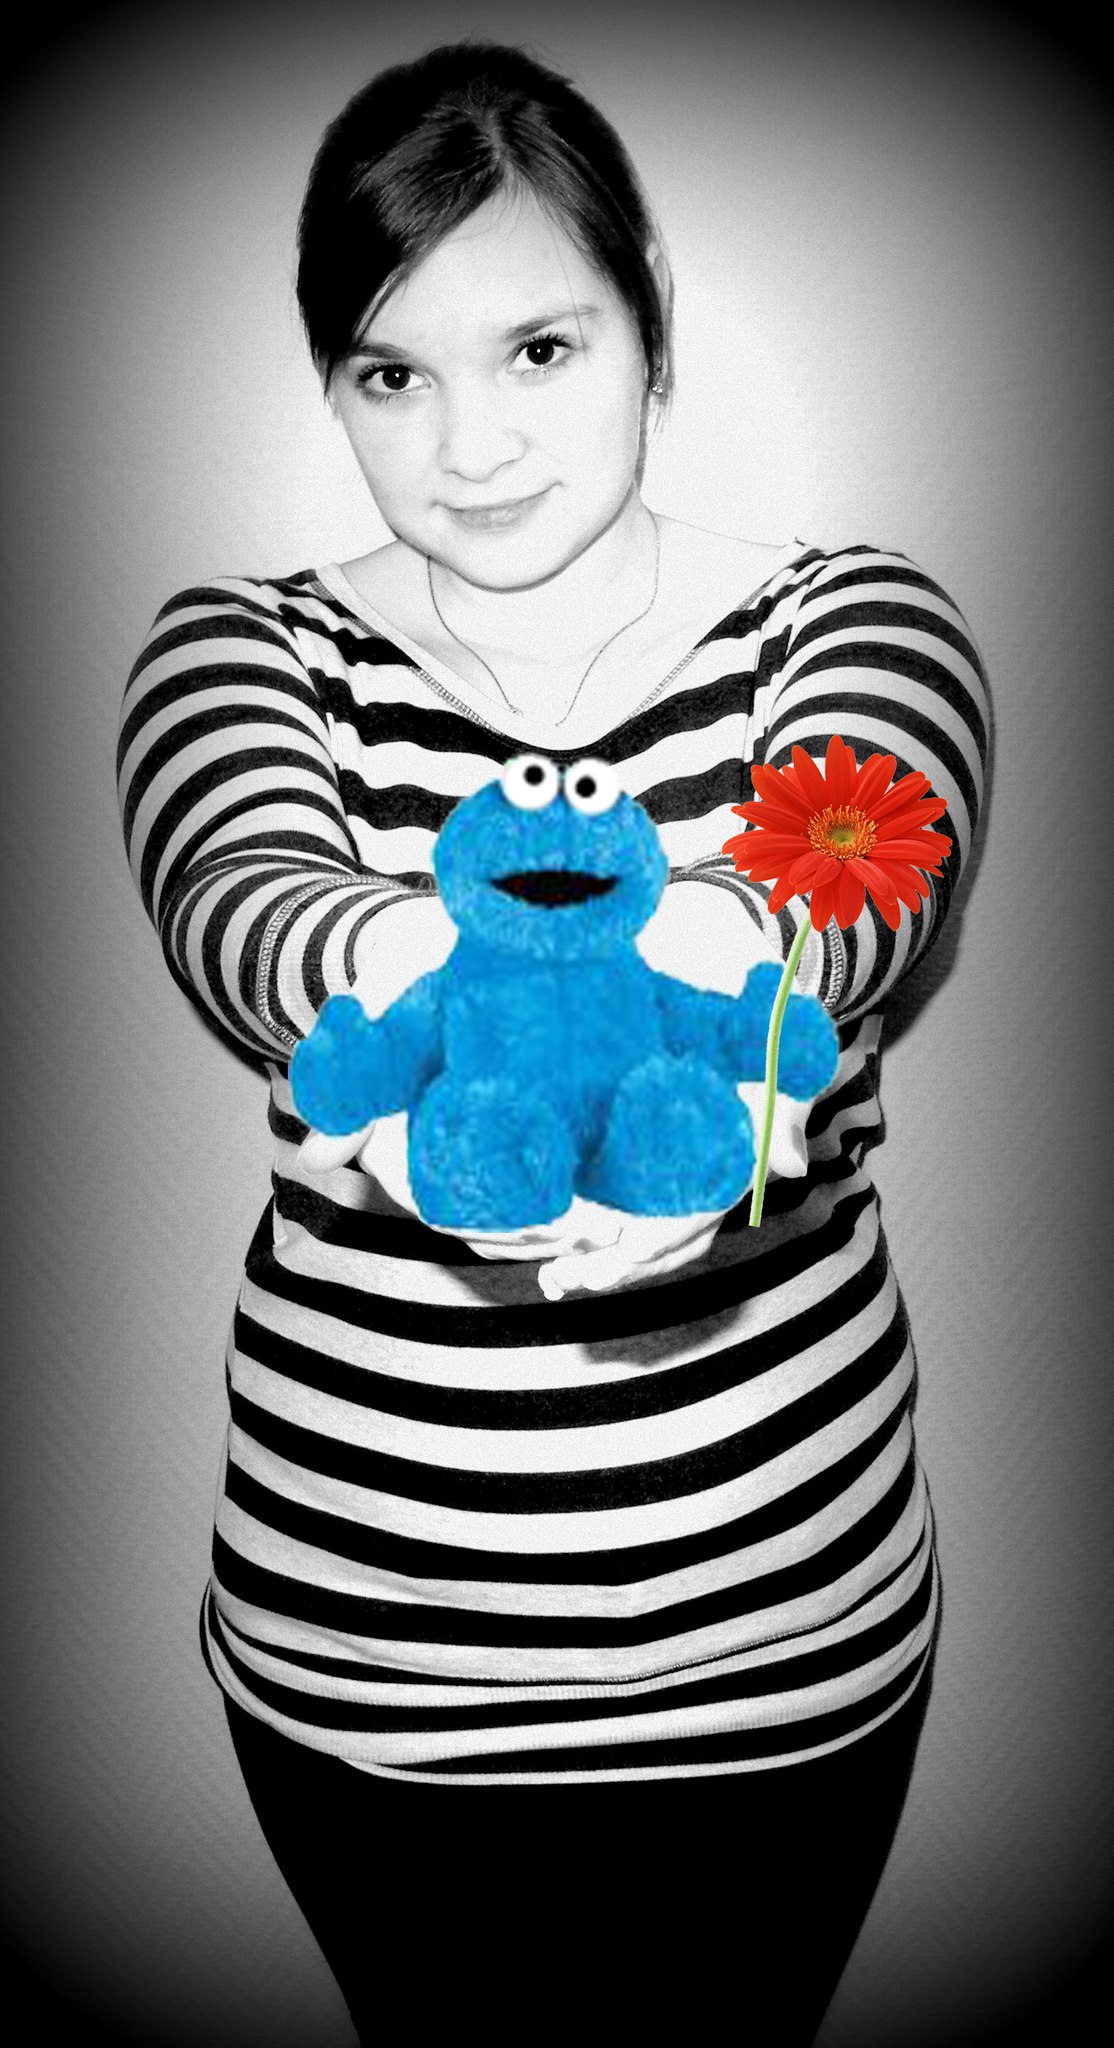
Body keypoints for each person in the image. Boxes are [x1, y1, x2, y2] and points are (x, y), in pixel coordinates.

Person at [117, 39, 989, 2047]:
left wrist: (710, 1027)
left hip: (784, 1661)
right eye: (387, 375)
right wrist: (427, 1022)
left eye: (535, 348)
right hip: (370, 1680)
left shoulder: (846, 614)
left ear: (648, 316)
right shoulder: (241, 646)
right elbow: (241, 898)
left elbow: (862, 863)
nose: (468, 445)